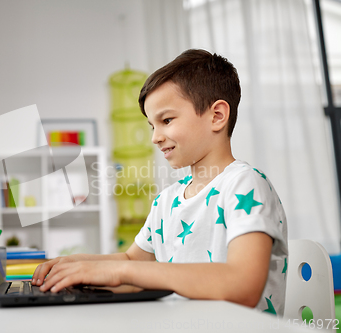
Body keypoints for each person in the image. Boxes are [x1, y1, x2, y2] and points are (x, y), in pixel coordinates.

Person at [32, 49, 288, 315]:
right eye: (152, 126)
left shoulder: (245, 185)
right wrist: (73, 264)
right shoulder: (167, 200)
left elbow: (243, 286)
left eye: (166, 120)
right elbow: (131, 261)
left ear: (217, 116)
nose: (155, 138)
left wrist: (123, 270)